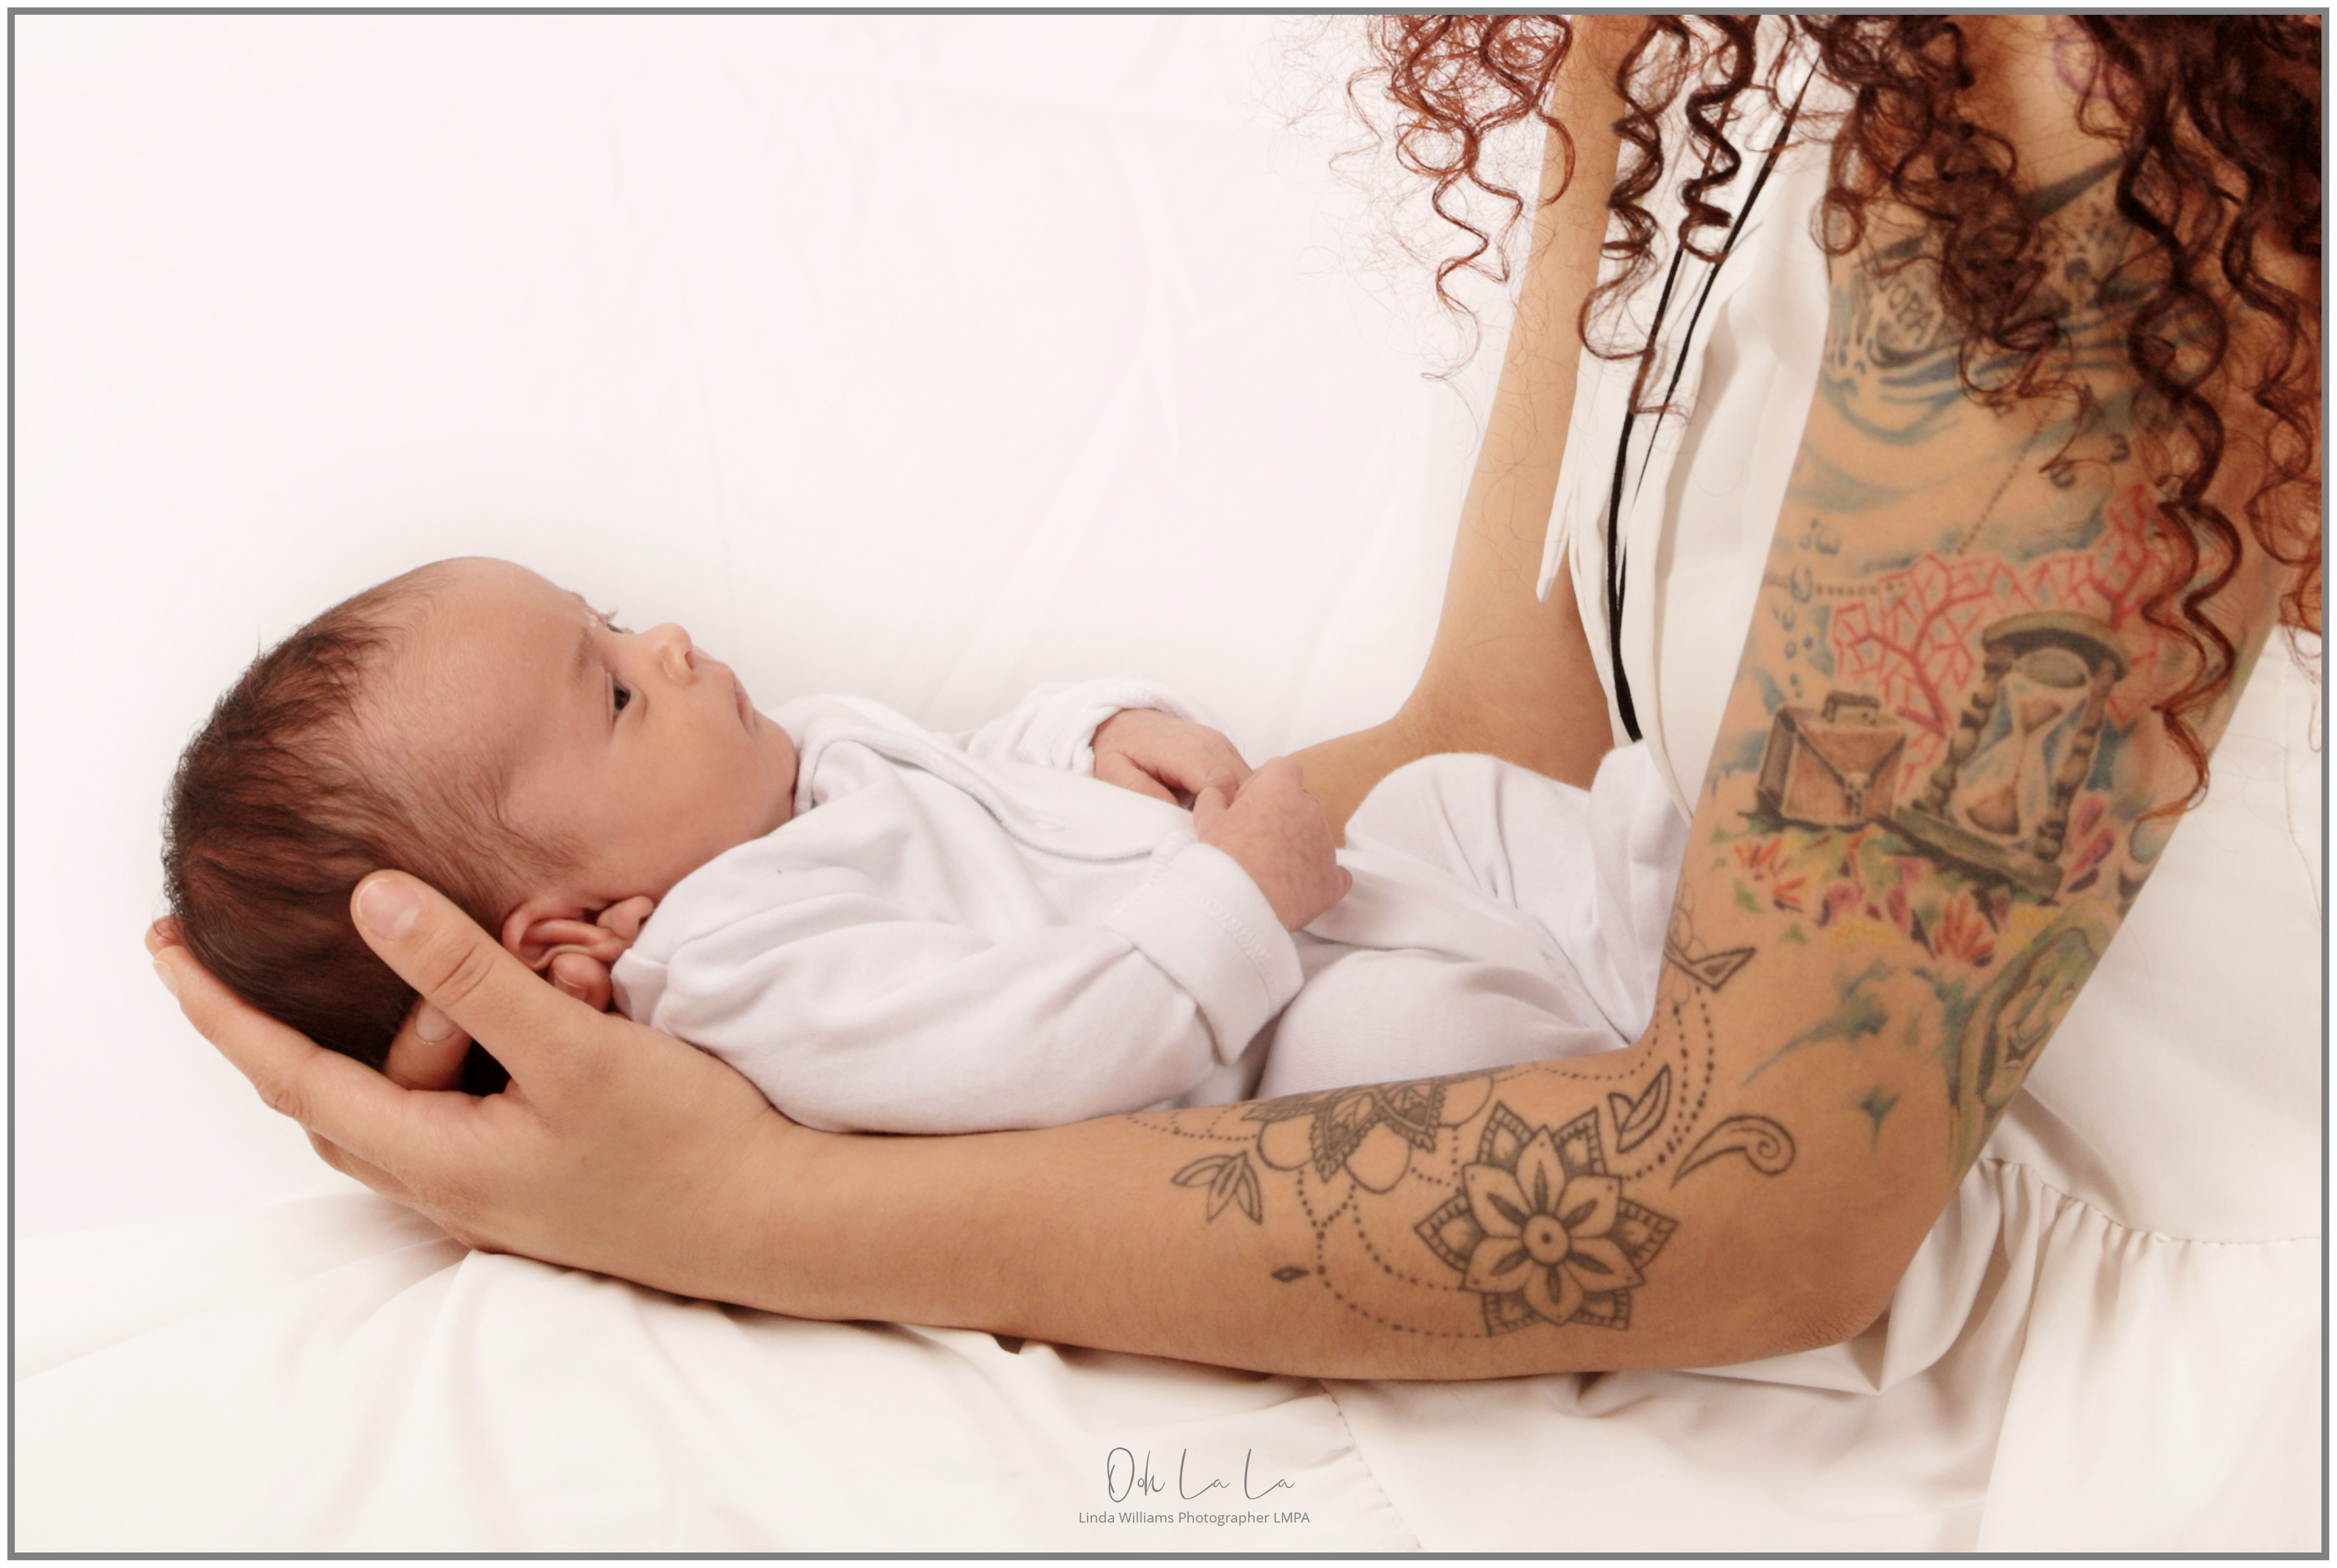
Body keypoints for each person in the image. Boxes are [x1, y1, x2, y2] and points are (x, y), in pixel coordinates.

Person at [152, 12, 2318, 1392]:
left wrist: (730, 1219)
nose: (683, 655)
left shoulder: (2079, 124)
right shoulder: (1662, 55)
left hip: (2096, 1285)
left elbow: (1763, 1202)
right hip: (1623, 1033)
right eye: (614, 692)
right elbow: (1511, 724)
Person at [165, 555, 1683, 1132]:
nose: (676, 640)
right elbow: (1038, 1052)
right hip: (1254, 1030)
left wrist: (1093, 732)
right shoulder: (743, 973)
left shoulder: (793, 765)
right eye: (619, 687)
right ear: (574, 937)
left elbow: (976, 772)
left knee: (1456, 796)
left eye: (614, 616)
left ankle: (1642, 925)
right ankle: (1621, 1053)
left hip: (1290, 895)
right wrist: (1239, 899)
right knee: (1395, 1033)